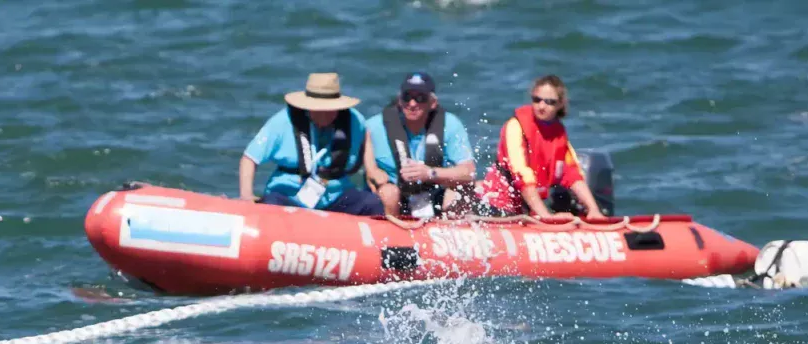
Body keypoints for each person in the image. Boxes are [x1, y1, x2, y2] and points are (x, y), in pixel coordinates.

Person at [239, 72, 385, 216]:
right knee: (271, 204)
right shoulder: (282, 122)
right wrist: (247, 195)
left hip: (336, 196)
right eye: (319, 109)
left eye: (330, 110)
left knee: (372, 203)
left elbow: (365, 134)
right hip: (290, 197)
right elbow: (249, 158)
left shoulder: (353, 119)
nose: (324, 115)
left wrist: (371, 168)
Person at [479, 75, 605, 219]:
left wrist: (593, 209)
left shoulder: (558, 134)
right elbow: (522, 175)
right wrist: (547, 218)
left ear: (560, 104)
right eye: (537, 100)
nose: (541, 106)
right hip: (498, 206)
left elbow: (572, 174)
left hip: (529, 210)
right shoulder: (516, 126)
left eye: (549, 102)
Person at [363, 72, 477, 218]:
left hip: (434, 196)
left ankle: (450, 233)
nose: (412, 104)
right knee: (388, 193)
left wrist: (430, 173)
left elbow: (469, 172)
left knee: (466, 188)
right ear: (399, 100)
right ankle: (389, 235)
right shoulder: (373, 127)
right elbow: (353, 159)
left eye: (420, 98)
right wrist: (371, 171)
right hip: (395, 199)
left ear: (433, 103)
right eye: (407, 97)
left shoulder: (450, 124)